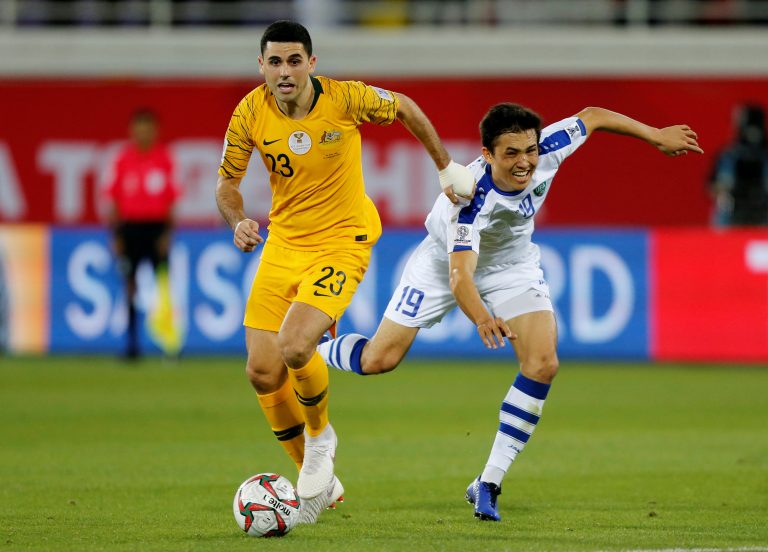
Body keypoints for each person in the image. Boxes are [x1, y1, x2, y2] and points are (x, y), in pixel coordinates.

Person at [318, 103, 703, 521]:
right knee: (379, 359)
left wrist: (655, 134)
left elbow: (593, 116)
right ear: (487, 154)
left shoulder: (547, 150)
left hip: (512, 267)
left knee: (543, 363)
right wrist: (483, 318)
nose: (525, 163)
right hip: (441, 265)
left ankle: (488, 481)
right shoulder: (469, 199)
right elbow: (460, 278)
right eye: (511, 154)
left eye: (529, 151)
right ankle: (317, 348)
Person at [214, 20, 474, 524]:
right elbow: (226, 182)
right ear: (261, 66)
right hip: (283, 244)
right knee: (262, 371)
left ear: (312, 63)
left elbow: (403, 107)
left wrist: (445, 168)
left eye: (294, 61)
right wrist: (238, 219)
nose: (284, 72)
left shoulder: (346, 99)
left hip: (342, 241)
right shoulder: (249, 111)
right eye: (274, 62)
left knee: (295, 346)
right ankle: (319, 483)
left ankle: (319, 437)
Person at [105, 108, 182, 360]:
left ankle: (169, 343)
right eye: (139, 128)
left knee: (163, 288)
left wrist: (167, 234)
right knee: (130, 288)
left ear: (155, 131)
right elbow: (113, 201)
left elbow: (171, 201)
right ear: (132, 131)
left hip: (156, 229)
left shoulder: (164, 159)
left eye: (147, 128)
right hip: (130, 230)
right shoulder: (122, 160)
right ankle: (132, 344)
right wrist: (116, 236)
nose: (143, 133)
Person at [709, 103, 768, 226]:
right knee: (724, 207)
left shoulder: (764, 156)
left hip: (763, 209)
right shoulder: (729, 156)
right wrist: (722, 192)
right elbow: (712, 186)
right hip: (733, 211)